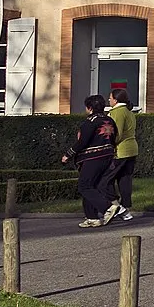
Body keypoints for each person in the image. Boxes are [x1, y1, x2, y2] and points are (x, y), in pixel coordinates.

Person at [59, 94, 121, 228]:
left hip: (92, 157)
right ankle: (92, 217)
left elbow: (82, 141)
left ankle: (107, 207)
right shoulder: (109, 120)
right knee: (92, 186)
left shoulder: (90, 121)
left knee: (84, 186)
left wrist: (68, 154)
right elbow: (115, 136)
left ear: (90, 108)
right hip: (107, 156)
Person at [107, 86, 139, 222]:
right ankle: (126, 209)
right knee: (125, 180)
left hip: (120, 151)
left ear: (115, 99)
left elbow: (117, 133)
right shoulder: (129, 112)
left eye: (110, 97)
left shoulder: (117, 112)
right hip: (132, 149)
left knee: (106, 179)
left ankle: (116, 206)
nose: (108, 99)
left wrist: (109, 145)